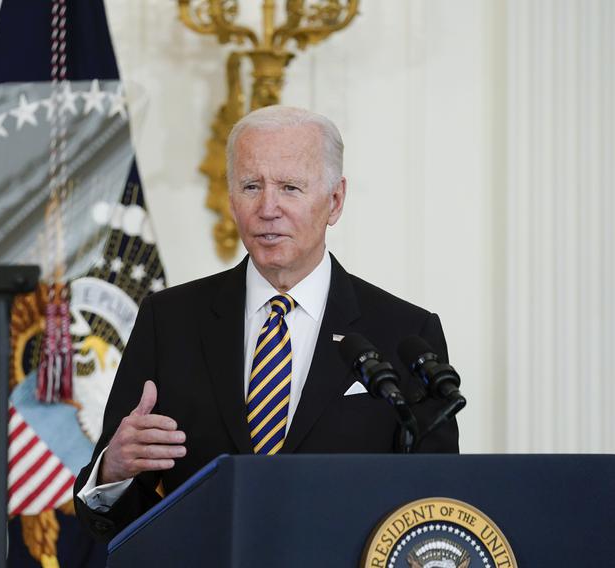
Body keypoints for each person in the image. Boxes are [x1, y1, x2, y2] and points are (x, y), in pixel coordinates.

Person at [73, 105, 458, 541]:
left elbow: (436, 508)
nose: (268, 207)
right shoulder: (170, 320)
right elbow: (119, 520)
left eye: (290, 187)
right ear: (231, 198)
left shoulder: (404, 332)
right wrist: (113, 470)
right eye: (251, 186)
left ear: (335, 201)